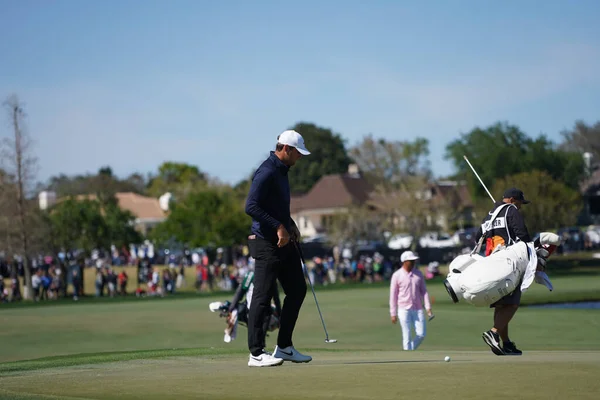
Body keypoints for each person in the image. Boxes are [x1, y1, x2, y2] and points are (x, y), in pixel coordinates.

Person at [244, 129, 311, 367]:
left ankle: (284, 347)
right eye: (298, 153)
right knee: (262, 295)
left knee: (297, 289)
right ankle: (256, 353)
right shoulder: (267, 171)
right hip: (266, 242)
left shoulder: (283, 172)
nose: (300, 158)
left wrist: (290, 225)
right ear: (287, 149)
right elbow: (251, 206)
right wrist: (279, 226)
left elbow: (277, 207)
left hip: (283, 240)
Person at [475, 188, 532, 356]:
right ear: (513, 200)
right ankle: (493, 332)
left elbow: (478, 236)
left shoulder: (489, 215)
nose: (521, 206)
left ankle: (506, 343)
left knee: (501, 305)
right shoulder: (511, 211)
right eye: (520, 202)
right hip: (509, 264)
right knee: (512, 303)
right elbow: (522, 234)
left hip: (491, 265)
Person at [389, 251, 433, 351]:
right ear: (404, 261)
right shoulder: (397, 275)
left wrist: (428, 307)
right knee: (407, 335)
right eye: (410, 261)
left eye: (414, 260)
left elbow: (424, 292)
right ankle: (407, 356)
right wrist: (393, 313)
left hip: (417, 308)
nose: (413, 262)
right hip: (403, 309)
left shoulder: (418, 274)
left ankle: (409, 352)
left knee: (421, 334)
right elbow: (393, 295)